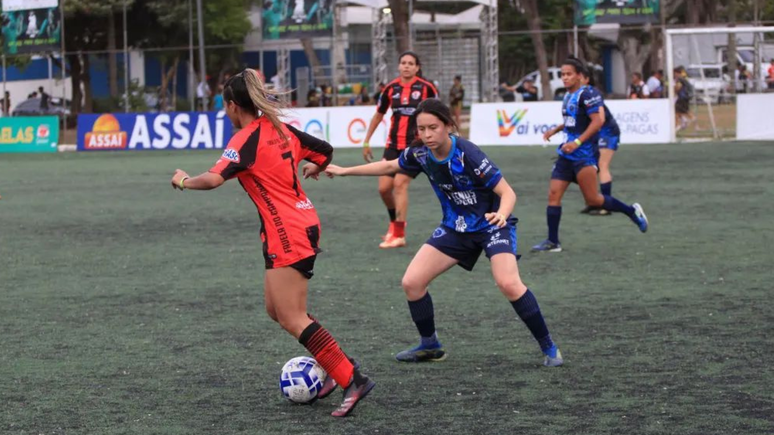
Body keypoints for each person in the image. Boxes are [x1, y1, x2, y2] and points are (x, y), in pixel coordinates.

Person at [168, 69, 375, 418]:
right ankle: (337, 365)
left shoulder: (245, 139)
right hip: (298, 223)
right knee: (277, 311)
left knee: (292, 316)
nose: (225, 113)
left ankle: (351, 378)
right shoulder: (281, 129)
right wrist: (314, 166)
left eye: (225, 107)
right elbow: (323, 151)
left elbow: (214, 179)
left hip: (287, 231)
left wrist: (184, 181)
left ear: (234, 106)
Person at [324, 99, 564, 367]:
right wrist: (344, 171)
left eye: (433, 128)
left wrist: (502, 215)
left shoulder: (467, 153)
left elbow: (507, 193)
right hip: (455, 228)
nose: (426, 135)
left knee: (508, 283)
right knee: (412, 283)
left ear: (448, 125)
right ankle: (430, 346)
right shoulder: (420, 154)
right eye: (421, 129)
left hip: (492, 225)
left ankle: (549, 346)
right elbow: (391, 166)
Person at [532, 57, 648, 253]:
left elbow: (597, 122)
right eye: (562, 74)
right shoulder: (568, 96)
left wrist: (577, 142)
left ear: (580, 76)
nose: (565, 78)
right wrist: (555, 130)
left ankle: (631, 211)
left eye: (569, 74)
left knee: (593, 200)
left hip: (583, 155)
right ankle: (553, 241)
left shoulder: (588, 94)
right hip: (566, 155)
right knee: (553, 195)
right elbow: (572, 121)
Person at [361, 51, 438, 249]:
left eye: (410, 63)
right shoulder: (390, 88)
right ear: (398, 66)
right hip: (393, 146)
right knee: (383, 189)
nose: (406, 66)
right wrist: (367, 141)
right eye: (403, 62)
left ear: (417, 67)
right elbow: (378, 115)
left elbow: (439, 114)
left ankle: (399, 235)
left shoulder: (427, 88)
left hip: (415, 147)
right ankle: (394, 224)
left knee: (399, 184)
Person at [576, 70, 621, 216]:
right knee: (589, 167)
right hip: (595, 133)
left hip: (607, 131)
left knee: (602, 166)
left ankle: (606, 206)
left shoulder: (592, 93)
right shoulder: (576, 95)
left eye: (579, 77)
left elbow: (600, 119)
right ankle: (593, 202)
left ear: (586, 79)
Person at [674, 67, 695, 131]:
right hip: (685, 97)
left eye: (674, 73)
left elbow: (678, 87)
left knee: (676, 112)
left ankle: (678, 125)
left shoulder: (679, 79)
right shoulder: (684, 78)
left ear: (677, 73)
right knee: (682, 111)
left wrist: (674, 90)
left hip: (682, 97)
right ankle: (685, 120)